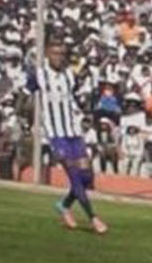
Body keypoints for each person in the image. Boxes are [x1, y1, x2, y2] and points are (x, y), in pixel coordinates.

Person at [27, 41, 108, 234]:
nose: (59, 57)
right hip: (56, 135)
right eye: (55, 54)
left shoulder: (69, 75)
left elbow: (74, 97)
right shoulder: (39, 75)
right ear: (47, 54)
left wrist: (82, 112)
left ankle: (64, 204)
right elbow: (24, 96)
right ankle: (93, 217)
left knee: (87, 176)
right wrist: (27, 119)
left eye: (62, 54)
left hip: (74, 131)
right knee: (74, 176)